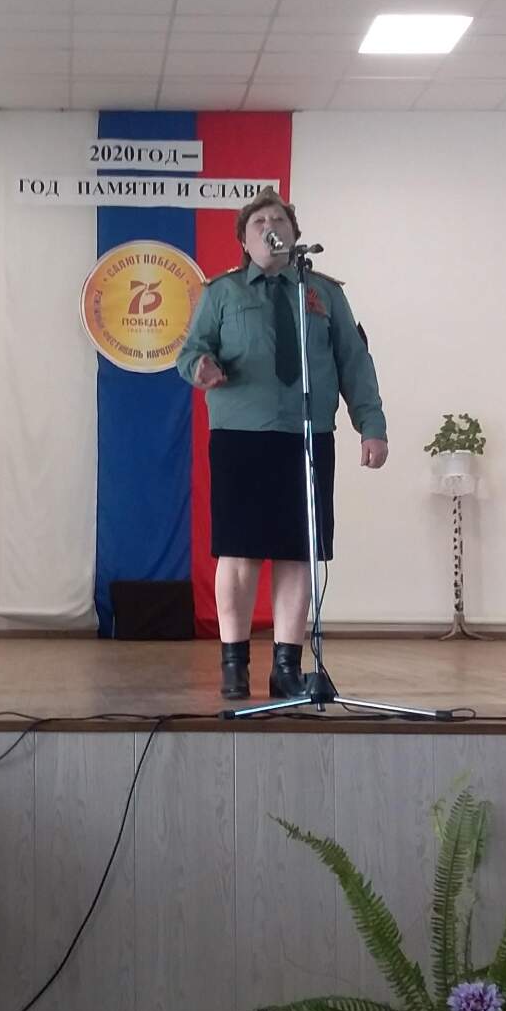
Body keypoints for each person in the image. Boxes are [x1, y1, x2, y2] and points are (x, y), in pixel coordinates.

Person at [176, 188, 388, 700]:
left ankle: (287, 667)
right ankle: (234, 665)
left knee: (298, 553)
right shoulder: (222, 293)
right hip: (241, 435)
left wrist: (371, 424)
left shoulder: (323, 293)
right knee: (240, 552)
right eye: (259, 222)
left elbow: (353, 361)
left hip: (308, 435)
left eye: (279, 220)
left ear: (294, 234)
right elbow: (190, 352)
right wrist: (200, 367)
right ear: (244, 241)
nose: (270, 227)